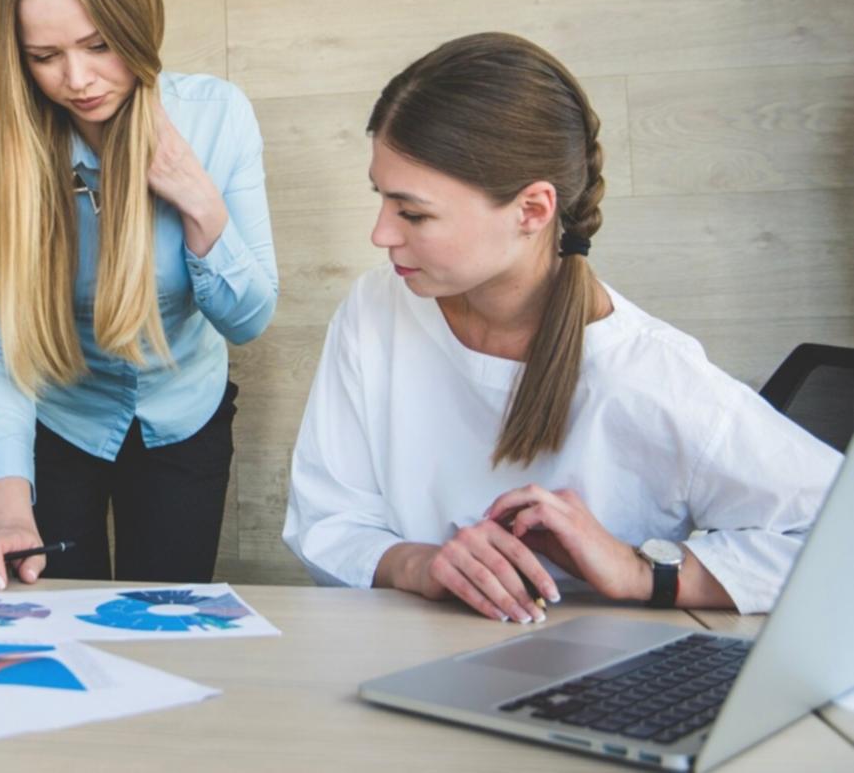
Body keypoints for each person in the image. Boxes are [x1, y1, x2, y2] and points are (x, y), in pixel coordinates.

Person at [283, 33, 840, 621]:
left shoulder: (652, 374)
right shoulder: (375, 308)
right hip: (397, 665)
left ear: (532, 210)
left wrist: (643, 572)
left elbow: (836, 542)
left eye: (413, 212)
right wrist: (417, 564)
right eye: (382, 200)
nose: (381, 234)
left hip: (592, 688)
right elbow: (328, 519)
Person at [0, 0, 278, 593]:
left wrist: (198, 200)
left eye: (98, 44)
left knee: (165, 627)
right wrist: (7, 503)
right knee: (58, 626)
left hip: (185, 412)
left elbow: (248, 319)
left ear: (137, 21)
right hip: (58, 420)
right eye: (44, 56)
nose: (77, 79)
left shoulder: (216, 115)